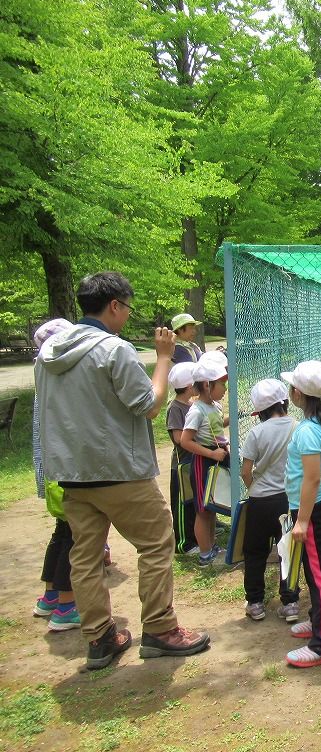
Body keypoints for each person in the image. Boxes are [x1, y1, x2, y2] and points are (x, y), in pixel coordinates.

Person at [35, 271, 209, 670]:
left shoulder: (47, 355)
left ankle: (99, 638)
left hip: (73, 473)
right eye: (127, 307)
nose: (128, 315)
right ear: (114, 305)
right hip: (119, 470)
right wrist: (163, 358)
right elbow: (149, 405)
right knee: (156, 543)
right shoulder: (115, 349)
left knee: (85, 554)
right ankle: (161, 629)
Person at [280, 361, 321, 667]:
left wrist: (302, 521)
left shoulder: (307, 431)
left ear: (298, 394)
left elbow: (313, 477)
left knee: (320, 575)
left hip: (314, 509)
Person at [31, 318, 80, 632]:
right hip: (66, 471)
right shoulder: (59, 379)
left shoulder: (44, 376)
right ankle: (66, 605)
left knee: (62, 533)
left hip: (51, 471)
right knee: (75, 538)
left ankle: (50, 596)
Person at [240, 379, 301, 622]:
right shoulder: (297, 427)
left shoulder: (256, 433)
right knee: (288, 550)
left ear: (260, 411)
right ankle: (291, 602)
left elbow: (246, 471)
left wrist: (254, 488)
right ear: (285, 402)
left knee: (254, 551)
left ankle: (255, 602)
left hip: (260, 501)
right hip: (288, 500)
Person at [179, 356, 230, 565]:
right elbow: (185, 440)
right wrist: (210, 454)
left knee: (211, 507)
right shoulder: (196, 411)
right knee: (202, 510)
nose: (225, 389)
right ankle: (205, 553)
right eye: (222, 384)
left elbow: (216, 425)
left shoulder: (214, 406)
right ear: (208, 385)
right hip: (204, 462)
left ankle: (211, 545)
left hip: (217, 457)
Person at [166, 362, 199, 555]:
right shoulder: (175, 408)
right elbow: (179, 438)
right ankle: (183, 543)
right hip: (181, 465)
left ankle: (194, 536)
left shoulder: (191, 405)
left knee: (193, 502)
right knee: (183, 505)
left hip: (193, 462)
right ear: (189, 386)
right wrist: (196, 436)